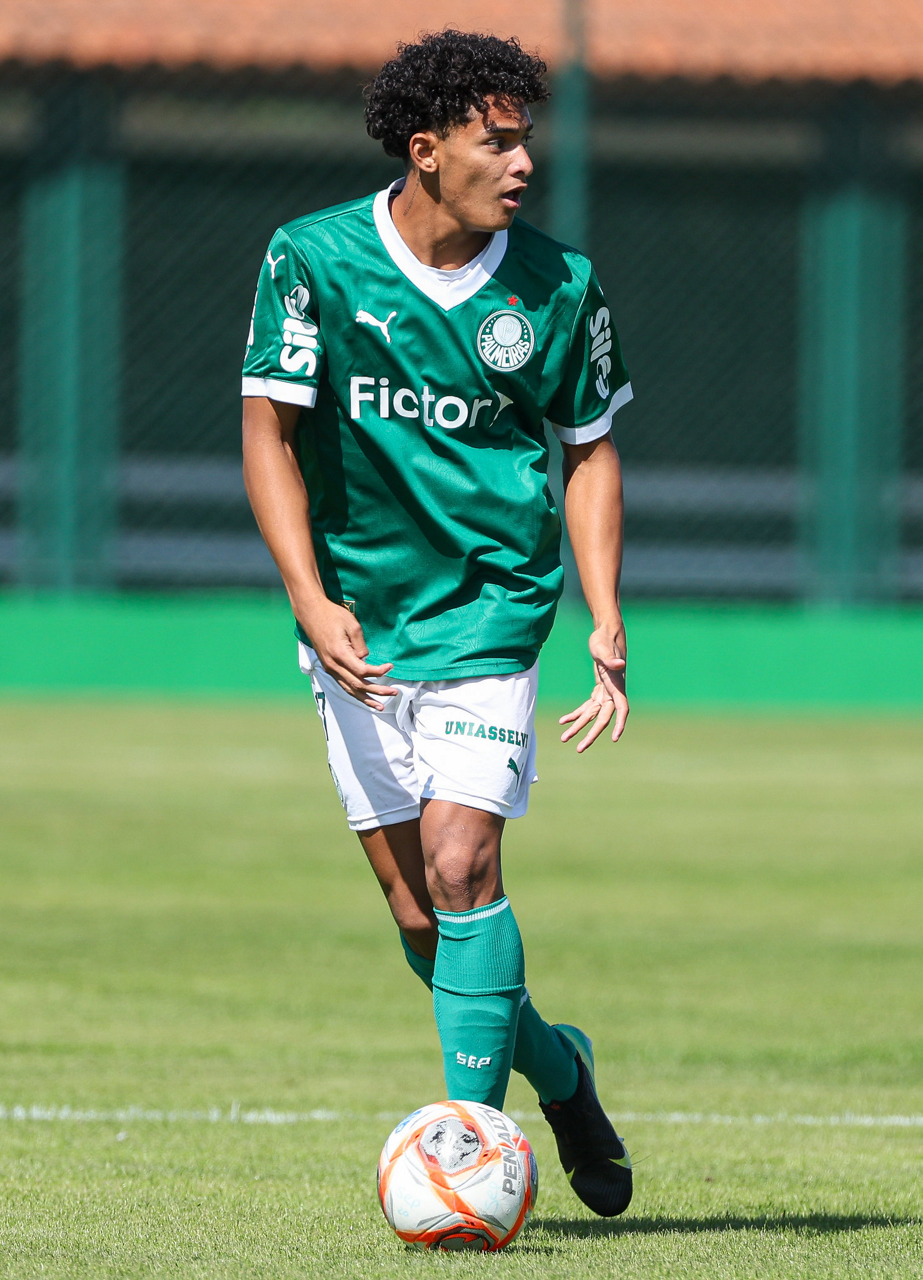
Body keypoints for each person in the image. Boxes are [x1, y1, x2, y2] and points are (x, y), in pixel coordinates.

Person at [241, 29, 633, 1217]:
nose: (522, 163)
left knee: (464, 869)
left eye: (526, 140)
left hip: (489, 609)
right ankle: (560, 1071)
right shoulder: (311, 258)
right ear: (425, 149)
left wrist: (602, 613)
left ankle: (470, 1161)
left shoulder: (558, 284)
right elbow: (267, 435)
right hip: (358, 625)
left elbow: (588, 452)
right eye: (495, 141)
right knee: (423, 923)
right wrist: (310, 599)